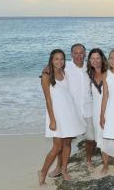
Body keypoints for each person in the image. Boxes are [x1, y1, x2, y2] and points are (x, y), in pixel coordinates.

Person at [38, 49, 86, 185]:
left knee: (67, 143)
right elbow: (48, 99)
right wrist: (52, 119)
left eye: (61, 59)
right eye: (56, 59)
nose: (59, 61)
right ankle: (43, 172)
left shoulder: (65, 72)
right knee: (57, 147)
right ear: (51, 60)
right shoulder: (46, 75)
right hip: (57, 114)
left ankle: (64, 170)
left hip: (70, 111)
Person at [48, 43, 95, 177]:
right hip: (70, 109)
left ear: (85, 54)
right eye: (76, 53)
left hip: (88, 107)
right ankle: (60, 167)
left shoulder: (90, 67)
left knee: (91, 138)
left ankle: (88, 160)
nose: (78, 55)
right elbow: (51, 69)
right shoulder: (65, 66)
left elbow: (105, 75)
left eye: (81, 53)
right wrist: (46, 70)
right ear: (71, 54)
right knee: (65, 141)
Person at [87, 48, 114, 174]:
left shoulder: (110, 73)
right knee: (101, 137)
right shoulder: (88, 74)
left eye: (97, 58)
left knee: (112, 136)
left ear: (102, 59)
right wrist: (47, 69)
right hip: (95, 111)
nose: (95, 61)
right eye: (92, 58)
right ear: (89, 60)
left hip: (110, 109)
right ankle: (105, 164)